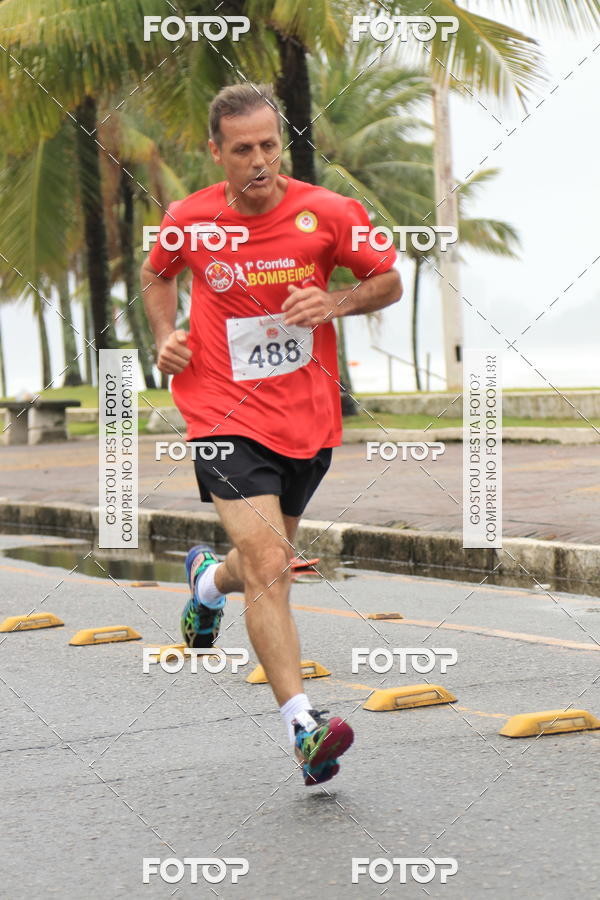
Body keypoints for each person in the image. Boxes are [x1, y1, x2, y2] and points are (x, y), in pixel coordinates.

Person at [141, 82, 402, 786]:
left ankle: (205, 585)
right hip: (220, 413)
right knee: (269, 565)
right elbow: (156, 274)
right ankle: (304, 729)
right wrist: (167, 338)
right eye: (242, 149)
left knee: (262, 564)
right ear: (214, 150)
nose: (258, 161)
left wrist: (336, 299)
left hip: (306, 416)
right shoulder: (189, 219)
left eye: (268, 145)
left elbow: (388, 279)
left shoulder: (327, 211)